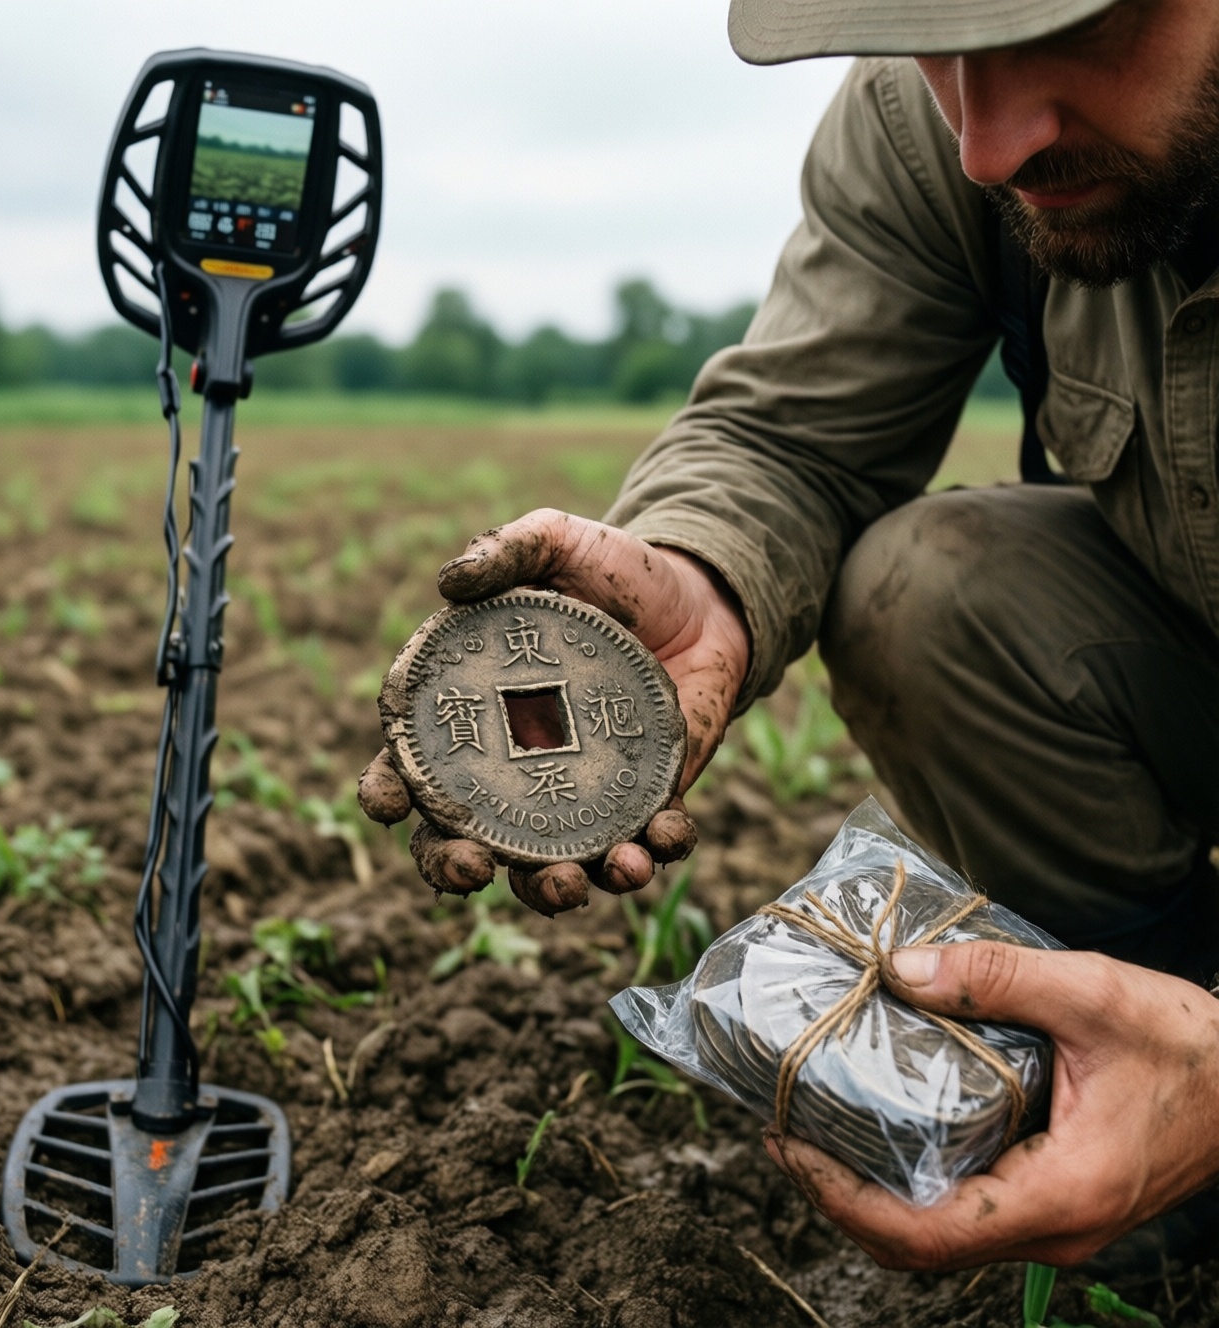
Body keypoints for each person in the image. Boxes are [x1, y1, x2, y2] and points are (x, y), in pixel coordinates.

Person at [359, 0, 1219, 1276]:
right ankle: (1145, 1089)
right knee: (928, 587)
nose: (986, 142)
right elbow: (794, 435)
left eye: (1068, 26)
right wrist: (699, 578)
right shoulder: (941, 132)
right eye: (943, 45)